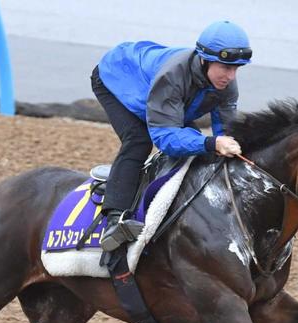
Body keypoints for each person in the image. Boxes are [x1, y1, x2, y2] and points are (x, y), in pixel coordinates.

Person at [91, 20, 252, 252]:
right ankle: (115, 219)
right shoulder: (173, 76)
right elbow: (164, 138)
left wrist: (233, 145)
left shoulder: (226, 85)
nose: (231, 76)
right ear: (204, 58)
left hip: (158, 86)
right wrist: (211, 142)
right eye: (225, 67)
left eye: (236, 68)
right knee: (139, 140)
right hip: (115, 77)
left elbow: (225, 131)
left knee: (194, 141)